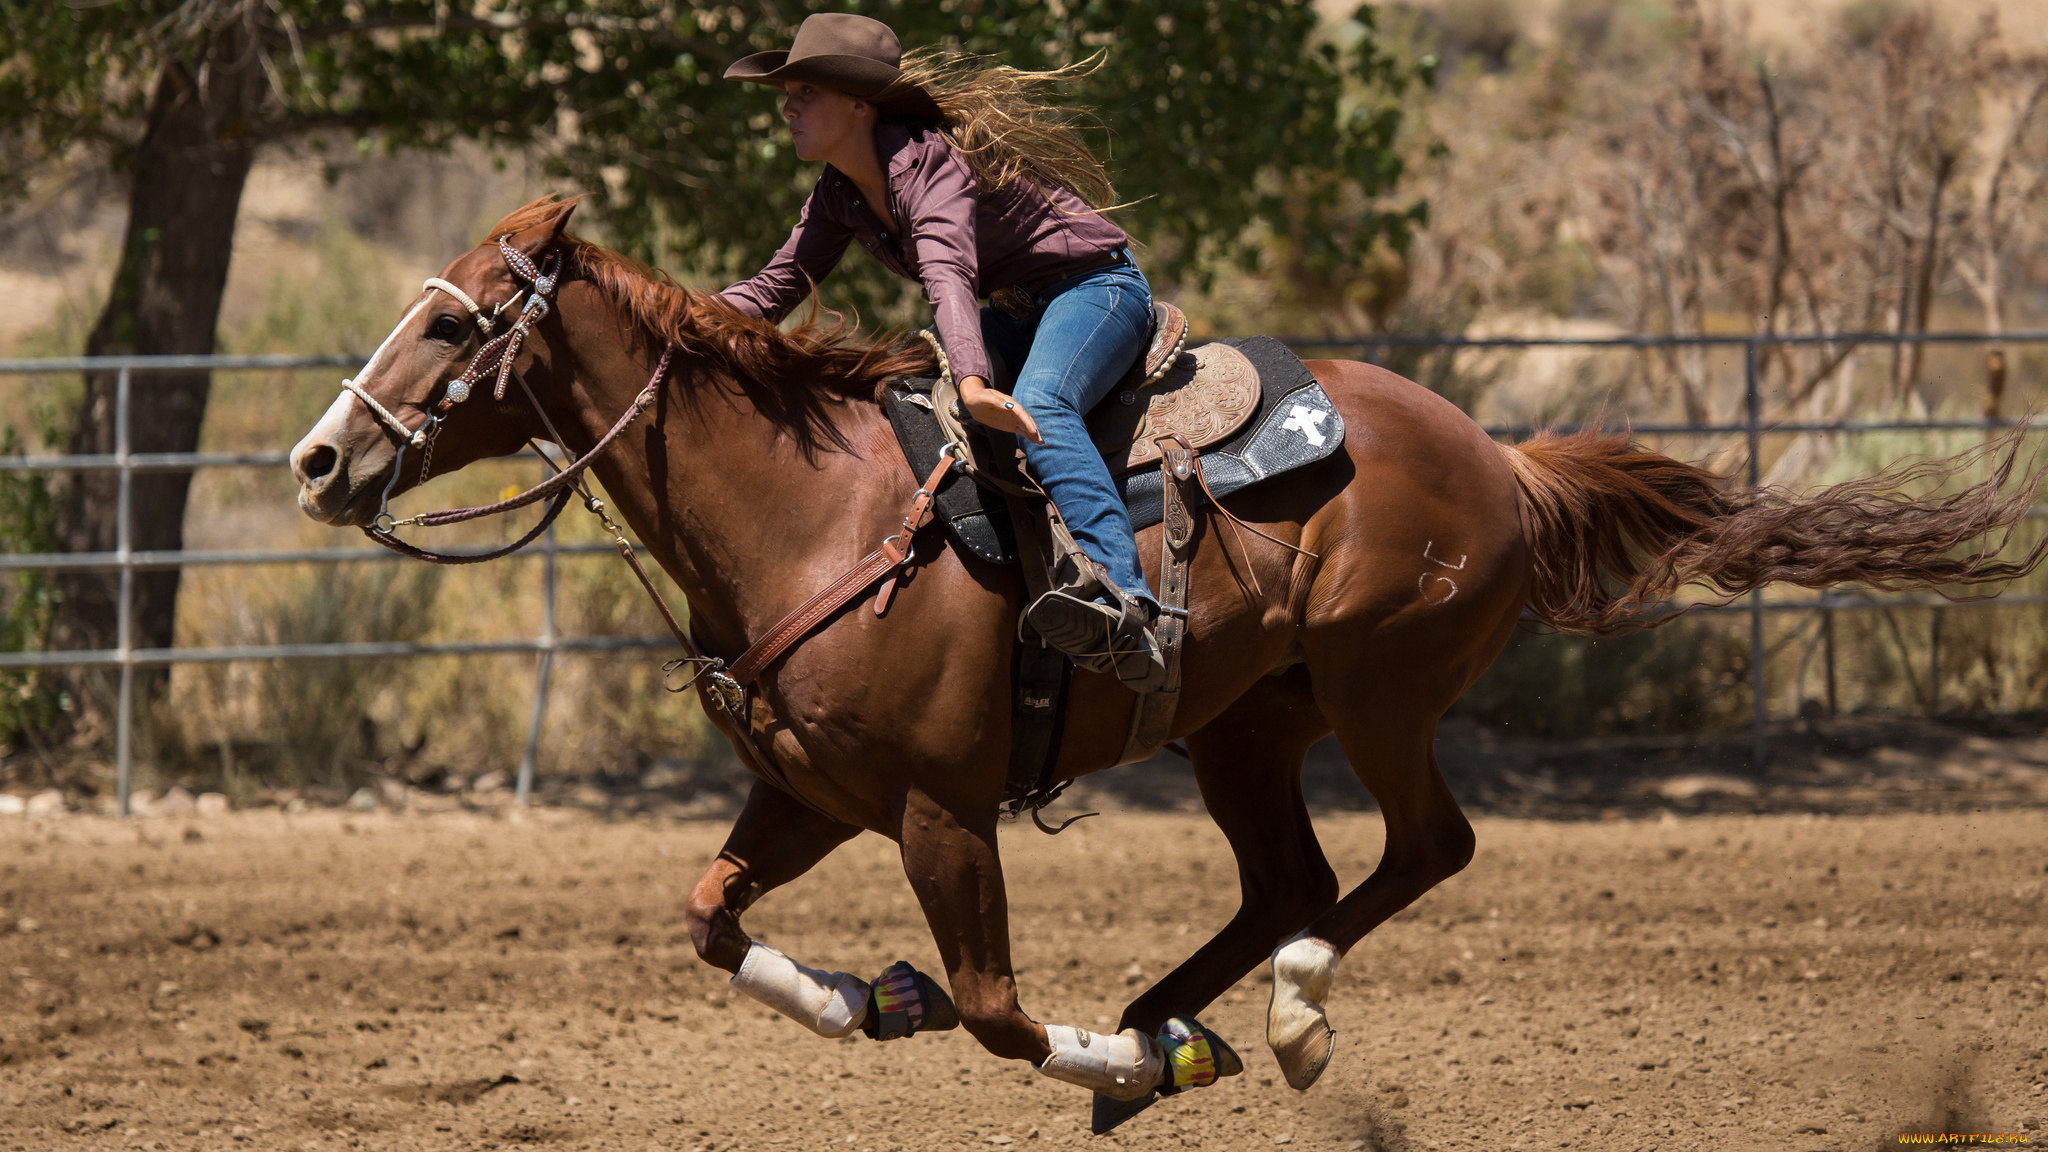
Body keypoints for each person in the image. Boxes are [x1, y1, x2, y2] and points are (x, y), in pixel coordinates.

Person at [717, 12, 1166, 692]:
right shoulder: (839, 194)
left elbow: (947, 275)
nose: (788, 106)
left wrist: (977, 380)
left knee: (1040, 403)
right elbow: (774, 287)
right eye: (788, 94)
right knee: (908, 402)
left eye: (805, 92)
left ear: (859, 105)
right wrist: (666, 316)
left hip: (1095, 289)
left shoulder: (931, 165)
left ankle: (1124, 605)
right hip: (1018, 310)